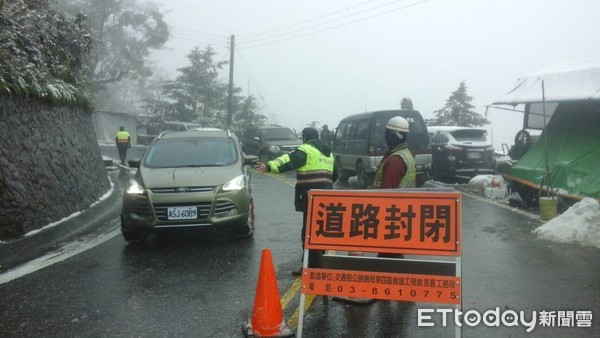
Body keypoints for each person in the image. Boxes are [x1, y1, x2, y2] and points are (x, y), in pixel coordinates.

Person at [254, 127, 336, 276]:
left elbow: (289, 161)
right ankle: (320, 262)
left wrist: (269, 166)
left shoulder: (305, 150)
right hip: (326, 197)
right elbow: (334, 174)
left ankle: (310, 266)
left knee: (309, 232)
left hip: (310, 197)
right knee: (320, 231)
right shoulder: (328, 153)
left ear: (305, 137)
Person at [372, 116, 416, 259]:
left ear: (393, 135)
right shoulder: (405, 154)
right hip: (401, 212)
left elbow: (387, 193)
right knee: (391, 252)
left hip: (391, 215)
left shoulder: (395, 161)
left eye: (387, 133)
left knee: (389, 253)